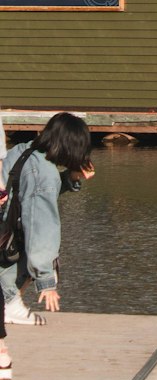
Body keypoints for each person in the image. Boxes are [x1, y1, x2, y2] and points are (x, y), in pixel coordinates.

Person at [0, 113, 94, 327]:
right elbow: (40, 227)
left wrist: (71, 178)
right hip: (7, 248)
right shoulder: (45, 175)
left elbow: (28, 192)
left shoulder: (24, 150)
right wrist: (46, 281)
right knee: (46, 250)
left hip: (2, 229)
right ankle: (11, 303)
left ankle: (9, 302)